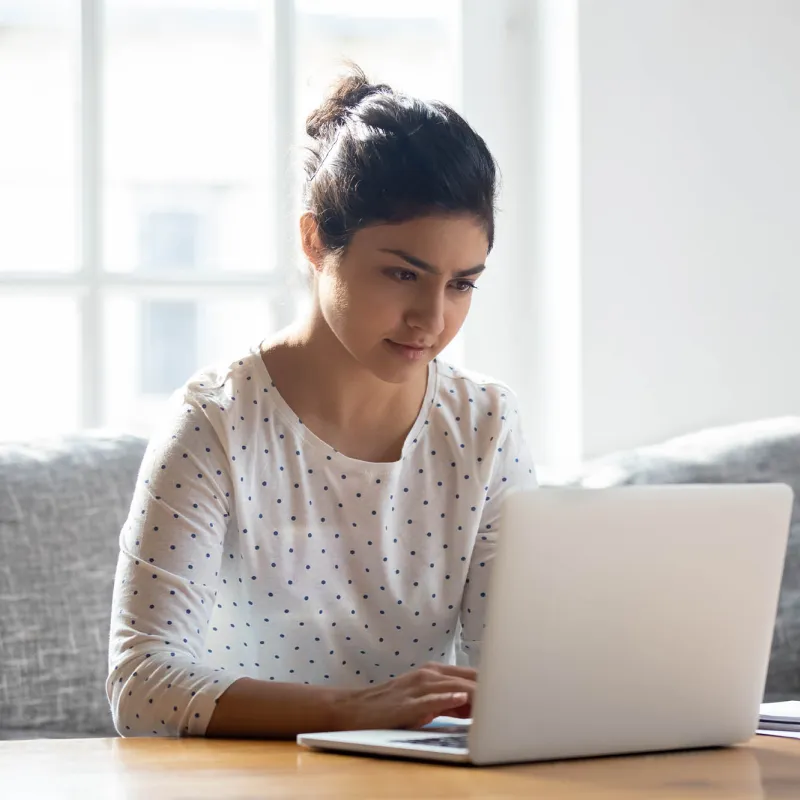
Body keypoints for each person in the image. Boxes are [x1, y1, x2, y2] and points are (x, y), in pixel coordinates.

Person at [106, 66, 537, 739]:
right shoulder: (216, 420)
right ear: (315, 242)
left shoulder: (486, 425)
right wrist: (349, 712)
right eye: (402, 273)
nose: (431, 318)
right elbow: (142, 685)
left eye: (462, 284)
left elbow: (516, 676)